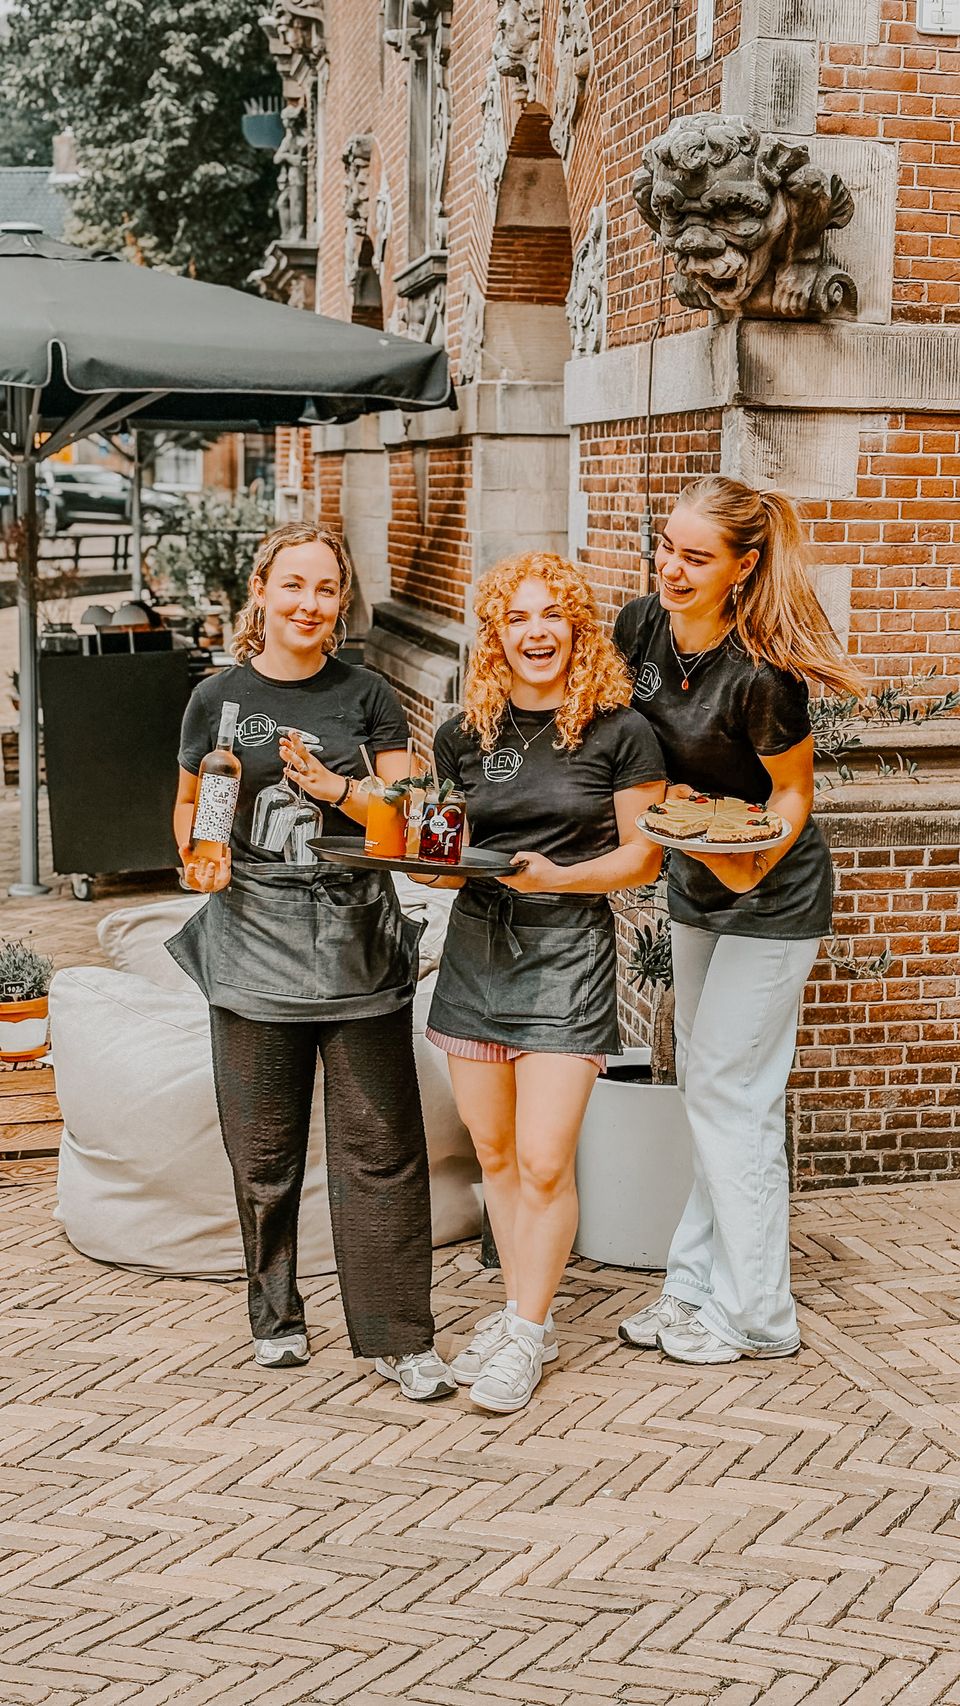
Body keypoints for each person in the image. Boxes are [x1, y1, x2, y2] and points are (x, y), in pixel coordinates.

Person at [168, 521, 456, 1402]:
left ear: (342, 600)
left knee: (381, 1149)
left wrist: (339, 789)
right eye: (292, 585)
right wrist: (196, 853)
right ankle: (276, 1314)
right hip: (251, 939)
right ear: (261, 590)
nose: (308, 604)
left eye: (325, 589)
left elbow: (402, 819)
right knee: (263, 1152)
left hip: (355, 942)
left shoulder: (368, 695)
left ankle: (400, 1336)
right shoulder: (215, 699)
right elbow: (189, 809)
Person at [614, 476, 864, 1366]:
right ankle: (691, 1289)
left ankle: (755, 1315)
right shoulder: (640, 626)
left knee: (734, 1092)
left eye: (695, 556)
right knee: (711, 1088)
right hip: (695, 885)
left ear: (742, 566)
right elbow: (626, 748)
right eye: (666, 545)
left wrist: (747, 853)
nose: (671, 567)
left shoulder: (764, 674)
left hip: (774, 898)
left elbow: (793, 795)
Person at [424, 552, 667, 1414]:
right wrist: (432, 866)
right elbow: (443, 838)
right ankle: (519, 1311)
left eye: (551, 616)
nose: (535, 633)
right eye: (516, 618)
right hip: (476, 953)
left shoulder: (618, 730)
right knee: (494, 1156)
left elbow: (643, 853)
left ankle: (526, 1335)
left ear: (576, 627)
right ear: (495, 634)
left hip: (568, 954)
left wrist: (558, 879)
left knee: (542, 1157)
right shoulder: (464, 735)